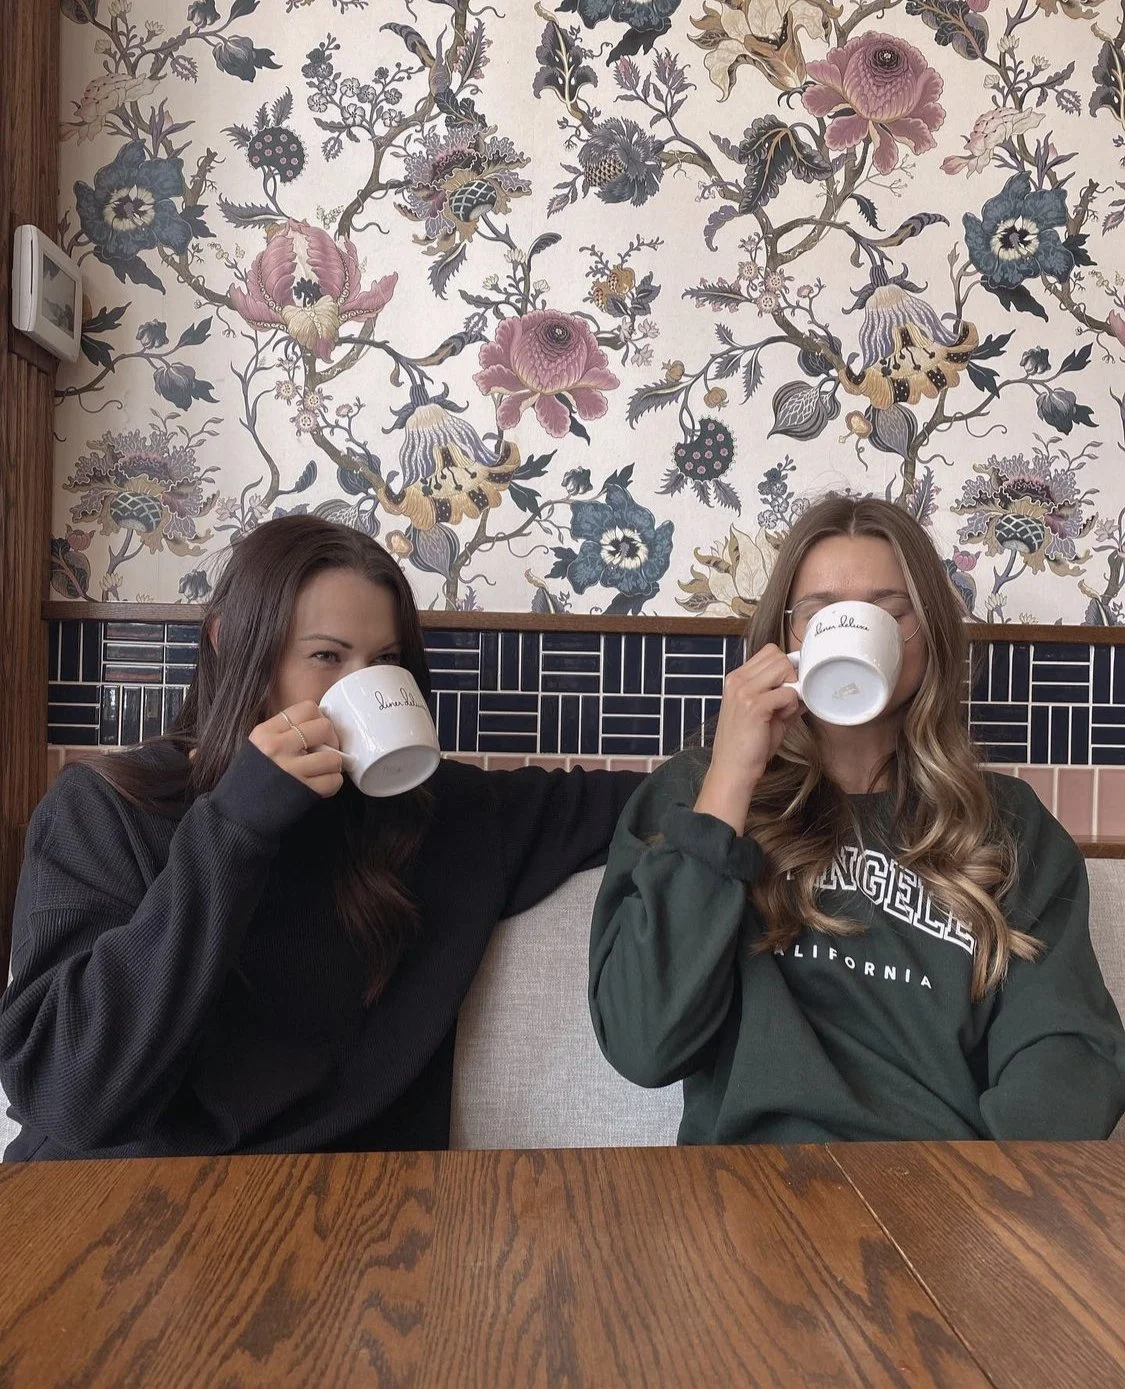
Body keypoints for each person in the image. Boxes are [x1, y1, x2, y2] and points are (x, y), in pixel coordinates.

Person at [0, 516, 643, 1161]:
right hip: (113, 1195)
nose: (359, 688)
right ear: (230, 642)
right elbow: (65, 1094)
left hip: (349, 1204)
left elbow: (647, 802)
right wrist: (235, 826)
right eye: (326, 656)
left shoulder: (444, 816)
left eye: (385, 662)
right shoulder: (107, 808)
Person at [590, 496, 1125, 1142]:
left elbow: (1066, 1054)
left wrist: (983, 1190)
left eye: (889, 611)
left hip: (944, 1188)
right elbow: (643, 1044)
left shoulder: (1008, 822)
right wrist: (730, 777)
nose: (850, 631)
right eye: (819, 613)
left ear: (928, 633)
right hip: (748, 1187)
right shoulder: (694, 797)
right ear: (785, 638)